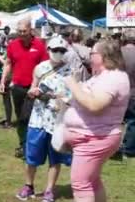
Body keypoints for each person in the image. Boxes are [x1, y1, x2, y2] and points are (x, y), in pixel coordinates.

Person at [64, 40, 130, 202]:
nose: (90, 55)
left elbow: (94, 105)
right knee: (92, 181)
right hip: (92, 136)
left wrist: (73, 85)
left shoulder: (114, 78)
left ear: (103, 56)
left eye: (92, 52)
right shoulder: (103, 75)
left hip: (95, 138)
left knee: (81, 184)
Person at [15, 37, 73, 202]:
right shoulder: (40, 68)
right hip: (38, 119)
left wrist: (60, 98)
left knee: (55, 158)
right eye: (55, 50)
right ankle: (28, 185)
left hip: (58, 121)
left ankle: (49, 190)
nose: (58, 54)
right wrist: (34, 92)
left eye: (62, 51)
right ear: (48, 50)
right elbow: (33, 87)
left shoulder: (70, 71)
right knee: (31, 155)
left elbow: (71, 95)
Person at [0, 18, 49, 158]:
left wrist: (41, 86)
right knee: (20, 118)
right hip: (17, 86)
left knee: (30, 118)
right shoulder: (13, 45)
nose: (22, 34)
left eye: (24, 31)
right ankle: (23, 144)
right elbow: (8, 64)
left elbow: (45, 67)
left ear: (30, 30)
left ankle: (30, 146)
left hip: (33, 88)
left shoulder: (39, 46)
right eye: (19, 31)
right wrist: (3, 81)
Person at [121, 29, 135, 158]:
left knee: (114, 120)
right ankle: (129, 149)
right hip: (133, 93)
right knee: (132, 121)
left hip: (117, 91)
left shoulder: (118, 53)